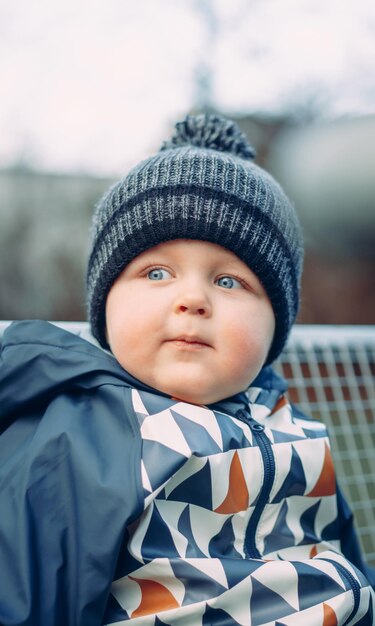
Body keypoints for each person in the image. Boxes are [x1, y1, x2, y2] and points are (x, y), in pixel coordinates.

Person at [0, 114, 373, 626]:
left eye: (229, 281)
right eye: (156, 272)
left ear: (275, 323)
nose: (193, 299)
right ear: (105, 305)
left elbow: (342, 554)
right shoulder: (80, 435)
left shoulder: (291, 425)